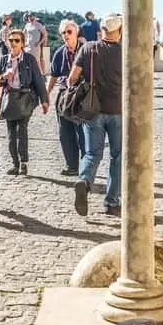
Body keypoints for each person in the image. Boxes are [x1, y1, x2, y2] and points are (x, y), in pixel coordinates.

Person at [68, 13, 123, 218]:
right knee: (117, 157)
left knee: (92, 153)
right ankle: (111, 202)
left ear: (102, 30)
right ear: (120, 31)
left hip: (92, 110)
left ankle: (84, 181)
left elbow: (72, 79)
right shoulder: (125, 52)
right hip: (118, 110)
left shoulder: (89, 48)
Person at [0, 30, 48, 176]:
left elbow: (38, 80)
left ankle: (23, 162)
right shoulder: (3, 60)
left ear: (23, 43)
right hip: (9, 100)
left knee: (22, 130)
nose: (13, 43)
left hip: (26, 98)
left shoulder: (29, 59)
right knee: (11, 134)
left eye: (16, 40)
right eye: (11, 40)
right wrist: (3, 77)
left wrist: (44, 100)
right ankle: (15, 164)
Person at [47, 19, 85, 176]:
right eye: (63, 32)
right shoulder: (59, 53)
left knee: (83, 132)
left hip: (82, 95)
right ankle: (72, 165)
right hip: (64, 96)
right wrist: (46, 95)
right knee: (65, 132)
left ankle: (86, 166)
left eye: (69, 32)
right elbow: (53, 76)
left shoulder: (86, 50)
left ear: (76, 32)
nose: (66, 35)